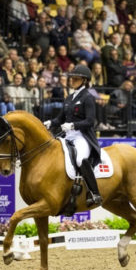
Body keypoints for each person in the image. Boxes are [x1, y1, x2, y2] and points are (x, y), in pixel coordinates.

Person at [43, 65, 102, 207]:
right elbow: (60, 119)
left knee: (81, 159)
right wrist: (50, 122)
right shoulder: (69, 98)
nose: (72, 81)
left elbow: (90, 121)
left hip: (82, 136)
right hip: (67, 136)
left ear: (84, 80)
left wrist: (73, 125)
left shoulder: (88, 97)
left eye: (76, 79)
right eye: (72, 78)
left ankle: (94, 193)